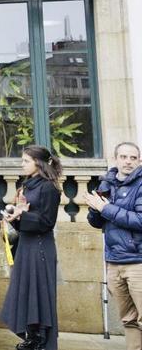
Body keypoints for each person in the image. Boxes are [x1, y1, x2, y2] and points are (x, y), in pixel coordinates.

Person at [0, 145, 62, 350]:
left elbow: (47, 222)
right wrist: (15, 217)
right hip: (26, 245)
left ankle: (41, 340)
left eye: (26, 161)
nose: (22, 164)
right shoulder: (27, 186)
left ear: (38, 162)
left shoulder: (49, 187)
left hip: (40, 247)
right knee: (25, 291)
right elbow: (25, 219)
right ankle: (32, 337)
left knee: (40, 292)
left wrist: (22, 215)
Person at [88, 142, 142, 350]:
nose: (128, 161)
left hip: (137, 262)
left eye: (132, 158)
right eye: (123, 157)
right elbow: (96, 222)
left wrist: (106, 208)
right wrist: (95, 209)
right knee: (128, 318)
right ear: (115, 159)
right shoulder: (107, 184)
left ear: (139, 160)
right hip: (114, 261)